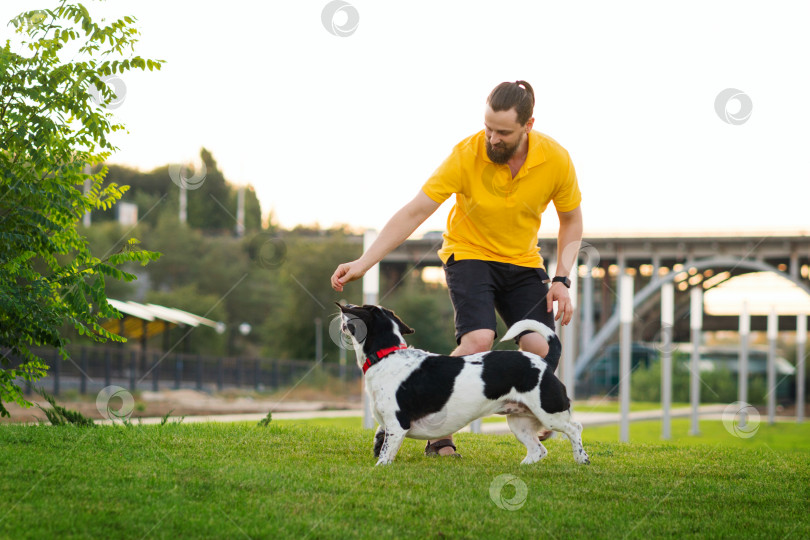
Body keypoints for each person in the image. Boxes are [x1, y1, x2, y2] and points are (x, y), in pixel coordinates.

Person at [331, 80, 583, 457]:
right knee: (479, 339)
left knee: (540, 346)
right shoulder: (466, 155)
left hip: (523, 262)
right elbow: (416, 210)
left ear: (528, 125)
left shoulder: (556, 159)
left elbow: (572, 221)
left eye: (502, 132)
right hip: (469, 255)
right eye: (487, 127)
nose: (491, 138)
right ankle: (433, 431)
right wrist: (365, 262)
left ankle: (532, 412)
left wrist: (561, 278)